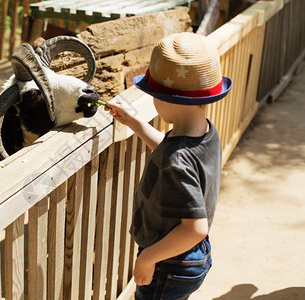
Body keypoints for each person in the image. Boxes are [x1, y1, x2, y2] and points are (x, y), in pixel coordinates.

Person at [105, 32, 232, 299]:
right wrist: (137, 125)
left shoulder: (176, 159)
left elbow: (195, 228)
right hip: (192, 256)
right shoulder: (204, 131)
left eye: (152, 93)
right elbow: (173, 155)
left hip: (168, 262)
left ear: (169, 100)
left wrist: (148, 258)